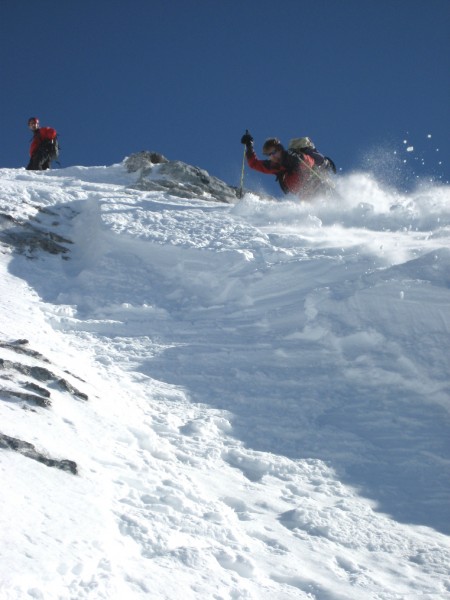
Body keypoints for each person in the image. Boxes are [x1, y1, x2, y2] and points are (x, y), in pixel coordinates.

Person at [240, 131, 335, 199]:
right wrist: (249, 145)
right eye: (269, 155)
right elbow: (254, 164)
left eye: (273, 152)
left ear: (280, 149)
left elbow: (309, 162)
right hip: (305, 194)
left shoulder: (291, 156)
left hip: (316, 184)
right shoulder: (274, 166)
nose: (272, 156)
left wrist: (301, 158)